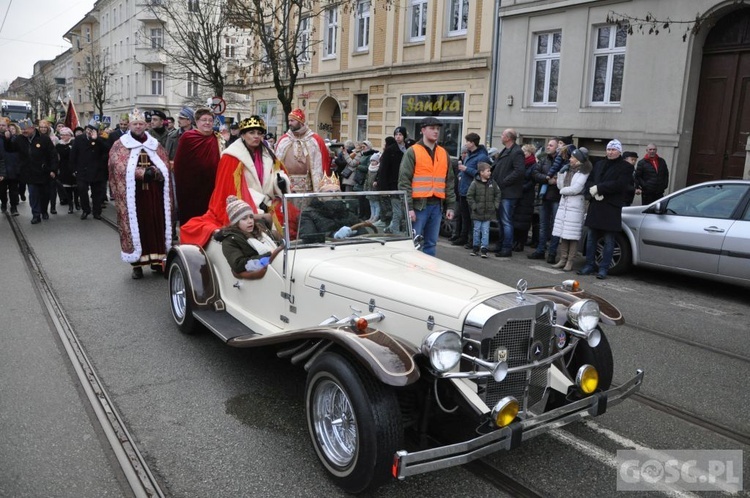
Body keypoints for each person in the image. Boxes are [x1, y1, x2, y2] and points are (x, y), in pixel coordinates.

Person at [179, 115, 290, 247]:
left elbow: (277, 175)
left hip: (268, 202)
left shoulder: (268, 154)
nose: (256, 136)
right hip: (244, 203)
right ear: (242, 135)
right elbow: (229, 190)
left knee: (291, 219)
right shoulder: (231, 156)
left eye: (259, 133)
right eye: (251, 132)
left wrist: (280, 182)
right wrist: (258, 203)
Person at [108, 107, 173, 279]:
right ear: (129, 125)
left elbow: (164, 163)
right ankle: (136, 264)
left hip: (153, 193)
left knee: (155, 224)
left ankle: (157, 261)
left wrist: (156, 172)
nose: (138, 127)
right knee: (137, 226)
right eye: (135, 124)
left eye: (141, 124)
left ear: (146, 125)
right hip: (133, 196)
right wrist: (141, 173)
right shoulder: (120, 144)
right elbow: (118, 167)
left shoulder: (154, 143)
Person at [397, 116, 456, 256]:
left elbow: (449, 181)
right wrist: (409, 207)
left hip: (436, 205)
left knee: (431, 243)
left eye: (437, 129)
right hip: (418, 207)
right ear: (423, 130)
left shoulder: (443, 153)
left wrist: (451, 206)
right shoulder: (413, 151)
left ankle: (428, 273)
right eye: (432, 128)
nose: (436, 131)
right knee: (413, 243)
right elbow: (404, 181)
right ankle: (411, 273)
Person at [578, 139, 634, 280]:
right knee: (591, 238)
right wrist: (592, 192)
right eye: (608, 149)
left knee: (609, 240)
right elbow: (590, 180)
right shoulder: (599, 164)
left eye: (613, 149)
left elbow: (620, 184)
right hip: (596, 205)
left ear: (619, 151)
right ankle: (589, 265)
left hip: (611, 207)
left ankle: (603, 268)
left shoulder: (626, 167)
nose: (610, 152)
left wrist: (600, 189)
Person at [172, 107, 221, 226]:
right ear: (197, 122)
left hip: (212, 185)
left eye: (210, 120)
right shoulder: (188, 137)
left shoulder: (218, 138)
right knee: (191, 217)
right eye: (204, 120)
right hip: (191, 187)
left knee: (209, 217)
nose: (207, 123)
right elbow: (179, 163)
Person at [4, 118, 58, 224]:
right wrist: (7, 139)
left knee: (45, 194)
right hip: (29, 173)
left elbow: (53, 155)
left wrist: (53, 169)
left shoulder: (44, 139)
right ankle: (36, 214)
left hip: (43, 172)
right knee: (33, 194)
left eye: (26, 129)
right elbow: (10, 149)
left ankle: (43, 210)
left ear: (32, 128)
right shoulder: (19, 139)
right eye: (22, 129)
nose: (24, 131)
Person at [216, 195, 283, 278]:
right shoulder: (230, 240)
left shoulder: (261, 230)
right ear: (236, 222)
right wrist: (270, 254)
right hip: (261, 278)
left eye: (251, 217)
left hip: (277, 269)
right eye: (244, 218)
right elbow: (238, 265)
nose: (250, 221)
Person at [551, 147, 592, 271]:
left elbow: (576, 189)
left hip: (575, 205)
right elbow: (560, 185)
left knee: (572, 235)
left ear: (578, 160)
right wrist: (561, 173)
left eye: (573, 157)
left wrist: (563, 191)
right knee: (563, 233)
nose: (570, 159)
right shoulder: (568, 169)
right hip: (564, 204)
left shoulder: (584, 172)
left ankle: (570, 261)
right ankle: (563, 259)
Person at [274, 108, 330, 192]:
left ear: (300, 121)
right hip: (287, 187)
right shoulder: (284, 140)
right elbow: (276, 164)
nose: (289, 123)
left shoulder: (315, 140)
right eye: (289, 121)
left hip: (308, 188)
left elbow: (323, 164)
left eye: (292, 121)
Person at [452, 132, 490, 248]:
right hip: (464, 190)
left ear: (472, 143)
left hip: (474, 191)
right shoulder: (468, 154)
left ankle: (473, 241)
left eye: (467, 141)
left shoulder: (482, 157)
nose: (466, 143)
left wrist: (466, 169)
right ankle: (463, 237)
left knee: (473, 218)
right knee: (465, 217)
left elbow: (482, 174)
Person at [491, 128, 524, 257]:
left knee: (506, 221)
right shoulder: (506, 150)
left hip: (509, 193)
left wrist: (504, 181)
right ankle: (500, 244)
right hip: (501, 191)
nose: (501, 136)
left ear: (508, 138)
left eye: (503, 135)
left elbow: (519, 171)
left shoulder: (516, 152)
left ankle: (506, 248)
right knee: (501, 220)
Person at [528, 138, 562, 261]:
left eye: (551, 145)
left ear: (558, 147)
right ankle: (540, 250)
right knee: (543, 226)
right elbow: (535, 173)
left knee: (555, 226)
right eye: (548, 145)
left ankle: (552, 253)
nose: (548, 147)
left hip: (557, 197)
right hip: (544, 196)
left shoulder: (562, 161)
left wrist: (555, 180)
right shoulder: (544, 160)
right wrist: (547, 179)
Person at [72, 121, 110, 220]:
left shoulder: (101, 140)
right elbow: (73, 155)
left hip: (97, 171)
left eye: (92, 131)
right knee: (82, 190)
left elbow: (107, 150)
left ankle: (97, 212)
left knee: (97, 193)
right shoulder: (79, 139)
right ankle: (86, 210)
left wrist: (97, 140)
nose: (89, 132)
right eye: (88, 130)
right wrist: (73, 169)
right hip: (82, 170)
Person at [377, 127, 408, 234]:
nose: (398, 137)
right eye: (396, 135)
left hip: (407, 184)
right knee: (397, 210)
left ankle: (394, 228)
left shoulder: (409, 149)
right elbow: (383, 170)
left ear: (404, 136)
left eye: (400, 134)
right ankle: (395, 230)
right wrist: (384, 188)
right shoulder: (390, 150)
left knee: (405, 211)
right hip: (394, 185)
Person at [466, 162, 500, 258]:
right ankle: (475, 247)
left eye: (490, 171)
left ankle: (484, 249)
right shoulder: (474, 183)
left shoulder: (493, 183)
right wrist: (474, 207)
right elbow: (469, 196)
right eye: (488, 171)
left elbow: (498, 193)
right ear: (481, 172)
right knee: (476, 230)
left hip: (488, 212)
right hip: (477, 212)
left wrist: (495, 205)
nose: (490, 173)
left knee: (485, 231)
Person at [513, 143, 538, 252]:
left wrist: (521, 188)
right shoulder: (521, 163)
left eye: (525, 152)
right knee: (516, 219)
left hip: (527, 195)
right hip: (518, 193)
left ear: (530, 153)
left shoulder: (533, 165)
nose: (523, 154)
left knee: (524, 220)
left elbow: (532, 181)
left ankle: (521, 243)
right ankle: (515, 241)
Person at [0, 118, 20, 216]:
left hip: (13, 168)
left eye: (3, 125)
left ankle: (14, 207)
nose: (1, 127)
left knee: (13, 190)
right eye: (0, 125)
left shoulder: (14, 138)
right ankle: (3, 203)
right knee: (2, 190)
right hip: (1, 170)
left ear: (7, 127)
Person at [55, 127, 78, 214]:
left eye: (66, 135)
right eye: (62, 135)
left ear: (70, 135)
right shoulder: (58, 145)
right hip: (64, 168)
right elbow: (62, 154)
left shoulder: (74, 143)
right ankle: (70, 205)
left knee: (76, 187)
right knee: (67, 188)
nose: (63, 136)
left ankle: (76, 202)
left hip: (74, 167)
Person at [364, 152, 381, 222]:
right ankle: (372, 216)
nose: (372, 162)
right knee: (371, 204)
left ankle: (376, 216)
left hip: (375, 189)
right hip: (369, 189)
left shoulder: (378, 169)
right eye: (371, 160)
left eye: (374, 161)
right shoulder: (369, 169)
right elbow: (367, 179)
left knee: (376, 204)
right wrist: (365, 188)